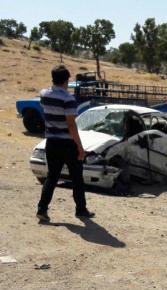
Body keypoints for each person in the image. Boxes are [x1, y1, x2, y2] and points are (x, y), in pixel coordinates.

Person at [36, 65, 93, 222]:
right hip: (67, 143)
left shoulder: (44, 94)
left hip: (52, 142)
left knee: (52, 177)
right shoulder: (68, 99)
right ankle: (81, 210)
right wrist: (80, 148)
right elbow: (71, 125)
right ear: (66, 80)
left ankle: (42, 208)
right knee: (76, 177)